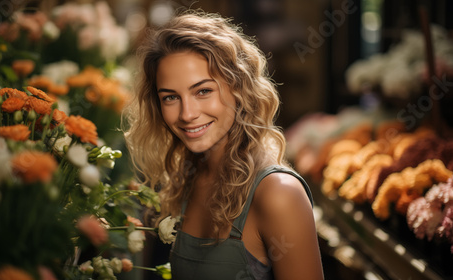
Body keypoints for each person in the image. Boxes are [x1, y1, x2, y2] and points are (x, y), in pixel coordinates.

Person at [125, 10, 324, 280]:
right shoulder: (184, 179)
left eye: (203, 91)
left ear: (238, 88)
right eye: (171, 97)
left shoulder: (279, 193)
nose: (187, 114)